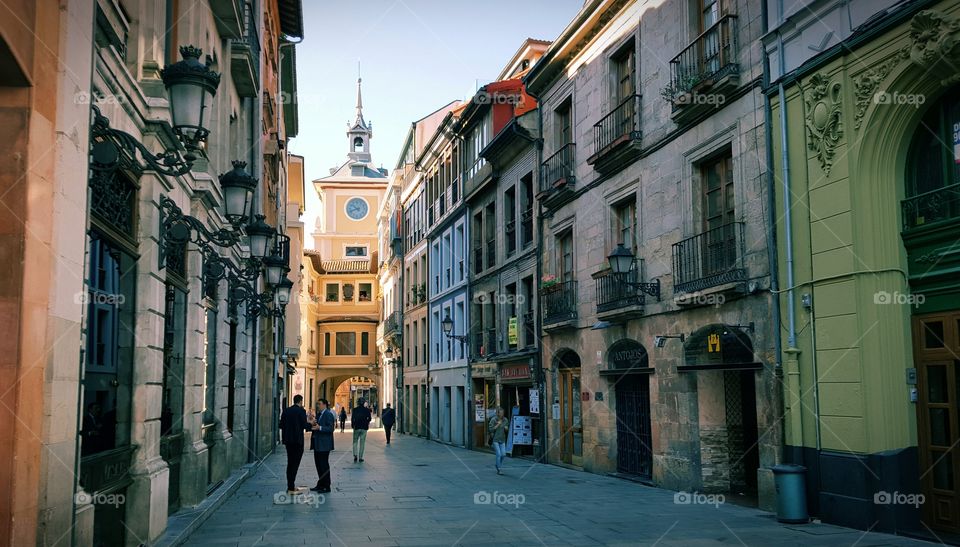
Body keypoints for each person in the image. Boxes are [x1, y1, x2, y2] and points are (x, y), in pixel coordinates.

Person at [279, 394, 311, 493]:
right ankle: (291, 487)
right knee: (295, 464)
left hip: (288, 441)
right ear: (300, 401)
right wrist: (312, 424)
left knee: (290, 462)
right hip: (297, 441)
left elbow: (281, 425)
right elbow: (304, 425)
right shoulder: (301, 411)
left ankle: (290, 485)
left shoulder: (286, 411)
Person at [310, 398, 336, 493]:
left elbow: (330, 428)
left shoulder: (328, 414)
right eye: (317, 404)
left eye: (319, 404)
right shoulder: (319, 414)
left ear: (325, 405)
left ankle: (326, 486)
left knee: (324, 465)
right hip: (317, 444)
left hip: (324, 445)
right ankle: (320, 484)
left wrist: (319, 427)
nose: (318, 406)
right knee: (318, 465)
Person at [488, 407, 510, 475]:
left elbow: (507, 429)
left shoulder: (505, 420)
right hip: (495, 439)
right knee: (498, 454)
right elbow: (491, 429)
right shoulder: (493, 420)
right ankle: (499, 469)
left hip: (502, 439)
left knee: (503, 455)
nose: (502, 414)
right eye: (500, 413)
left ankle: (497, 464)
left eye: (503, 413)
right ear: (497, 413)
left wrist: (506, 429)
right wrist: (498, 424)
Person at [351, 398, 372, 462]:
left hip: (357, 427)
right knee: (362, 443)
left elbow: (352, 418)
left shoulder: (355, 410)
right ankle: (360, 457)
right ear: (364, 403)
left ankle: (355, 455)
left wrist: (353, 425)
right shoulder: (367, 410)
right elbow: (370, 418)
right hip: (364, 428)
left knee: (355, 442)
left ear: (358, 402)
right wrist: (367, 422)